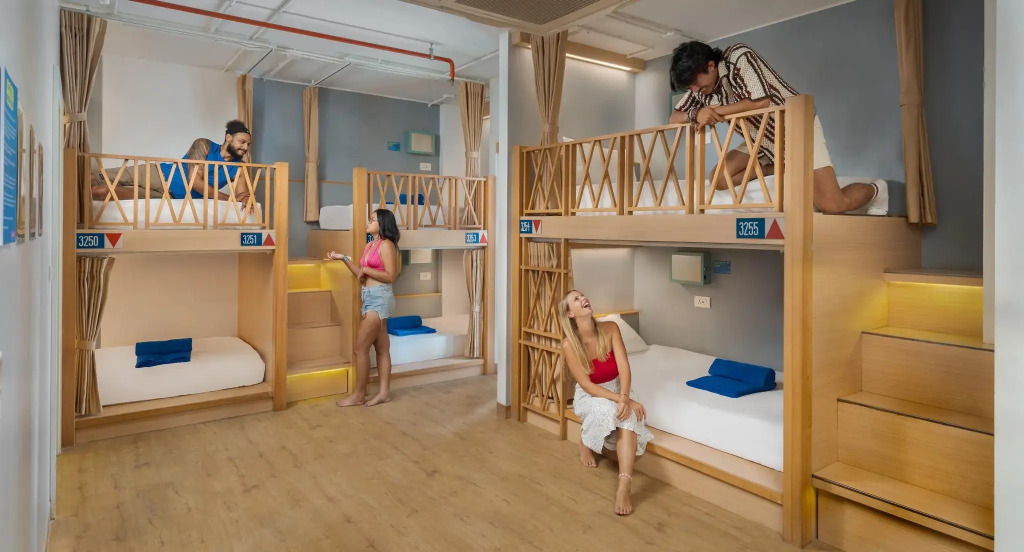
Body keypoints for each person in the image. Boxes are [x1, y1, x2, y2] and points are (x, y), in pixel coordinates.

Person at [669, 41, 886, 215]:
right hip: (760, 140)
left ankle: (878, 190)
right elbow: (674, 118)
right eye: (690, 87)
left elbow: (760, 101)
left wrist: (714, 113)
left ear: (711, 66)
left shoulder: (738, 56)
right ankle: (779, 168)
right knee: (719, 178)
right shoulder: (703, 90)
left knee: (832, 204)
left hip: (796, 128)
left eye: (695, 83)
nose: (694, 90)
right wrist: (695, 114)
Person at [557, 290, 653, 516]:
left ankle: (624, 484)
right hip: (590, 394)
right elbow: (588, 386)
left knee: (628, 415)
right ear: (570, 314)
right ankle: (585, 441)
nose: (583, 299)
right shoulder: (569, 345)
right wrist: (621, 400)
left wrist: (625, 396)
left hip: (618, 388)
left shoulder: (611, 329)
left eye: (583, 296)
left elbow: (624, 367)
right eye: (576, 299)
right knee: (609, 410)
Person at [326, 209, 402, 407]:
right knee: (382, 348)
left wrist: (367, 270)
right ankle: (384, 393)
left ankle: (359, 395)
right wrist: (343, 258)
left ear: (382, 223)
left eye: (372, 219)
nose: (368, 222)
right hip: (369, 297)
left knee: (360, 348)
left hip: (380, 298)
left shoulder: (387, 245)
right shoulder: (370, 245)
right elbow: (360, 274)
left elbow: (391, 276)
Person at [90, 119, 253, 204]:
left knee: (100, 192)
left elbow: (242, 196)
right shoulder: (204, 145)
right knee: (93, 178)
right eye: (242, 142)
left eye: (248, 144)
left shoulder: (240, 167)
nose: (245, 147)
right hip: (158, 174)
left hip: (168, 197)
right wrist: (230, 198)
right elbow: (195, 182)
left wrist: (245, 199)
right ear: (228, 137)